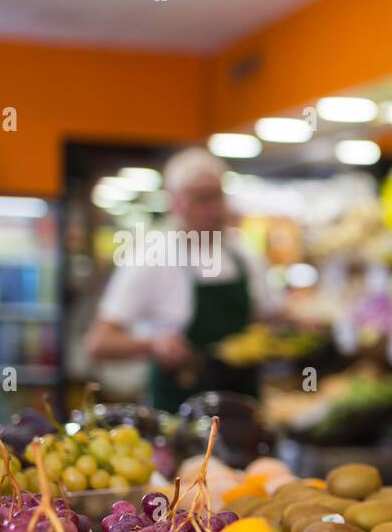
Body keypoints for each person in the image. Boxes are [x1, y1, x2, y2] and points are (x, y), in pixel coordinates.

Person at [85, 147, 279, 412]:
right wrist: (153, 344)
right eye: (202, 198)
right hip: (178, 408)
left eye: (218, 196)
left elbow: (267, 316)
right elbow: (99, 343)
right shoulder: (152, 256)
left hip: (245, 406)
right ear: (175, 203)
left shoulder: (243, 252)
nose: (214, 208)